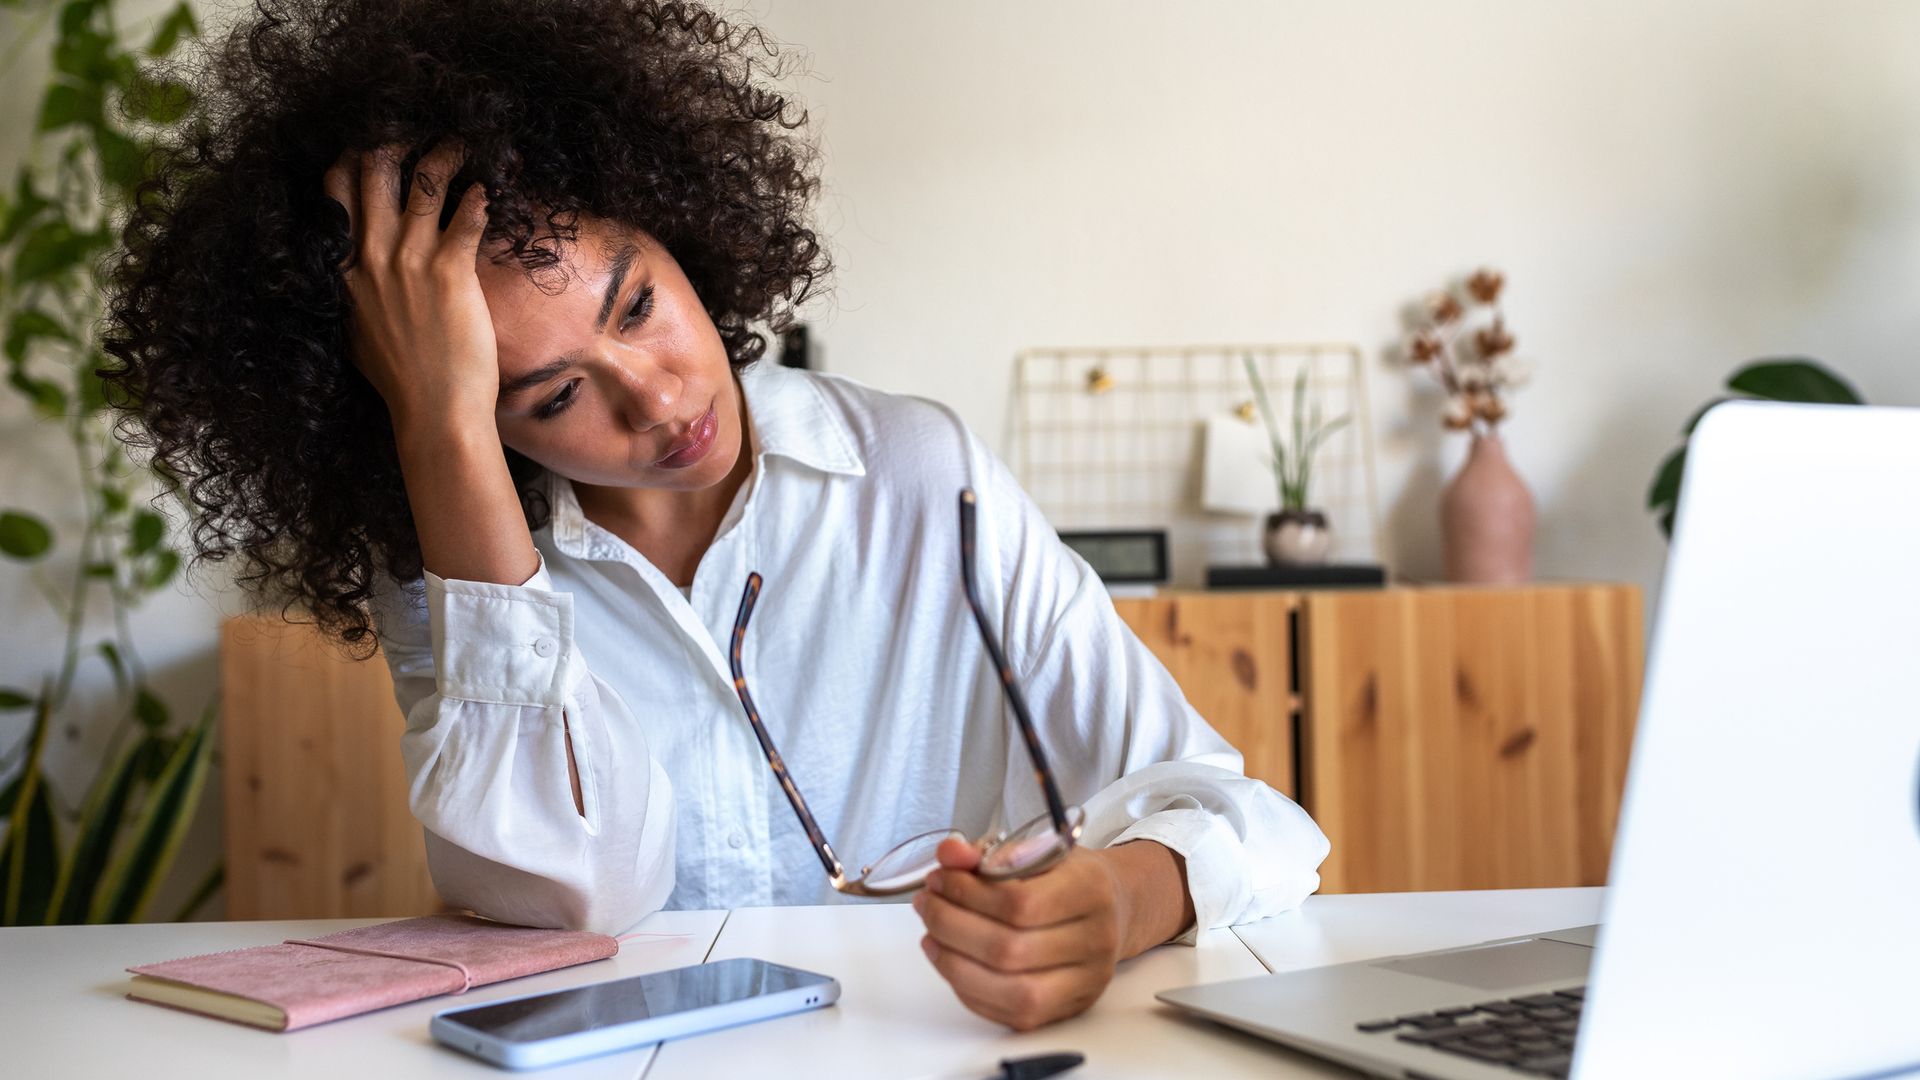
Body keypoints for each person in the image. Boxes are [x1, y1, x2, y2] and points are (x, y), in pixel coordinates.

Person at [101, 0, 1329, 1031]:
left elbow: (1244, 819)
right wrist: (440, 431)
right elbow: (577, 899)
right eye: (552, 393)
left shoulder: (913, 473)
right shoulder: (454, 555)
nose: (659, 397)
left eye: (636, 305)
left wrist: (1119, 899)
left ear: (677, 223)